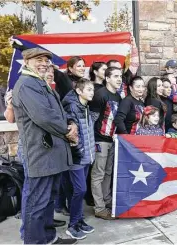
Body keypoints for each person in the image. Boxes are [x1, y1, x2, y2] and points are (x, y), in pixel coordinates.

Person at [11, 47, 77, 244]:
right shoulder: (26, 85)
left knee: (48, 200)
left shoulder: (40, 83)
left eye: (47, 61)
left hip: (52, 152)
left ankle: (48, 238)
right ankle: (34, 241)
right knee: (36, 202)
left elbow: (58, 111)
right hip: (40, 153)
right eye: (38, 59)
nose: (44, 63)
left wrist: (71, 123)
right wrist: (67, 132)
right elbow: (44, 116)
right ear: (27, 62)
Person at [62, 78, 96, 240]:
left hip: (86, 156)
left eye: (92, 90)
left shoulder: (84, 107)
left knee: (80, 190)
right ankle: (72, 225)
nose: (92, 93)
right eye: (89, 90)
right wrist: (80, 150)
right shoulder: (72, 107)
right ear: (79, 91)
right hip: (77, 157)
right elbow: (72, 133)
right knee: (80, 189)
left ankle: (80, 221)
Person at [88, 66, 123, 220]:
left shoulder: (118, 97)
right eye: (115, 76)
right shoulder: (100, 94)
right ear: (107, 78)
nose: (119, 79)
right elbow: (92, 119)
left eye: (120, 76)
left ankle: (107, 201)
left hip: (112, 139)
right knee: (98, 174)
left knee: (108, 172)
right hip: (99, 139)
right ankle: (99, 207)